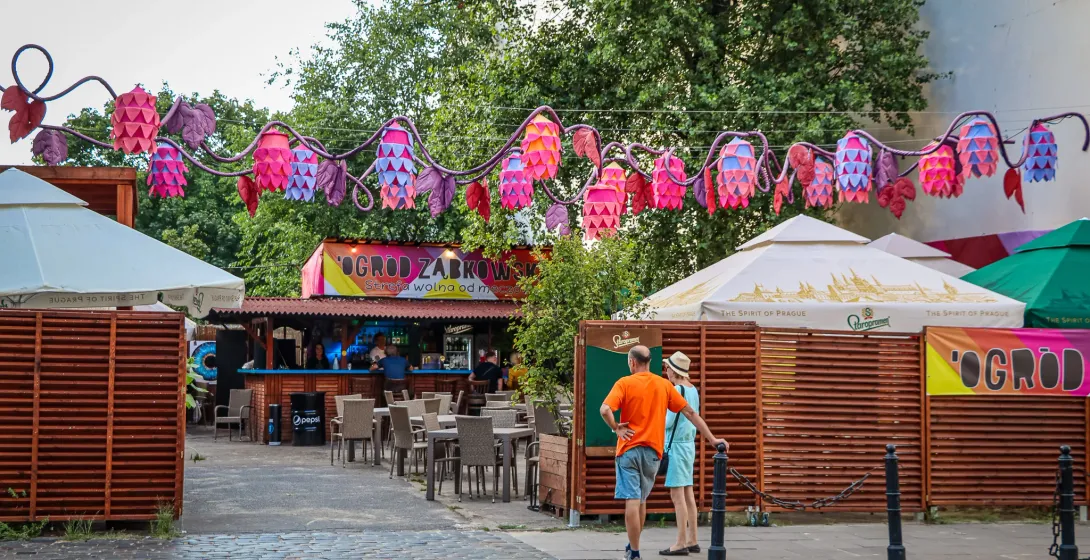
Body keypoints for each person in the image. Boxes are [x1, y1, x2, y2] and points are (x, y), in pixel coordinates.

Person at [599, 345, 727, 560]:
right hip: (653, 453)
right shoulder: (664, 385)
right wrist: (713, 439)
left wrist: (616, 427)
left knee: (631, 498)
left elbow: (604, 409)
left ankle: (635, 551)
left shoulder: (624, 383)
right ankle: (633, 547)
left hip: (628, 450)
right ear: (650, 362)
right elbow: (690, 413)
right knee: (641, 499)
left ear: (632, 362)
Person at [660, 351, 701, 556]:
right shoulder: (693, 390)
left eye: (667, 367)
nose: (665, 371)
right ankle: (693, 539)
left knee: (677, 496)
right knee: (688, 493)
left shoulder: (676, 389)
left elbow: (667, 422)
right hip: (689, 445)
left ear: (673, 371)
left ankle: (680, 542)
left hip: (675, 446)